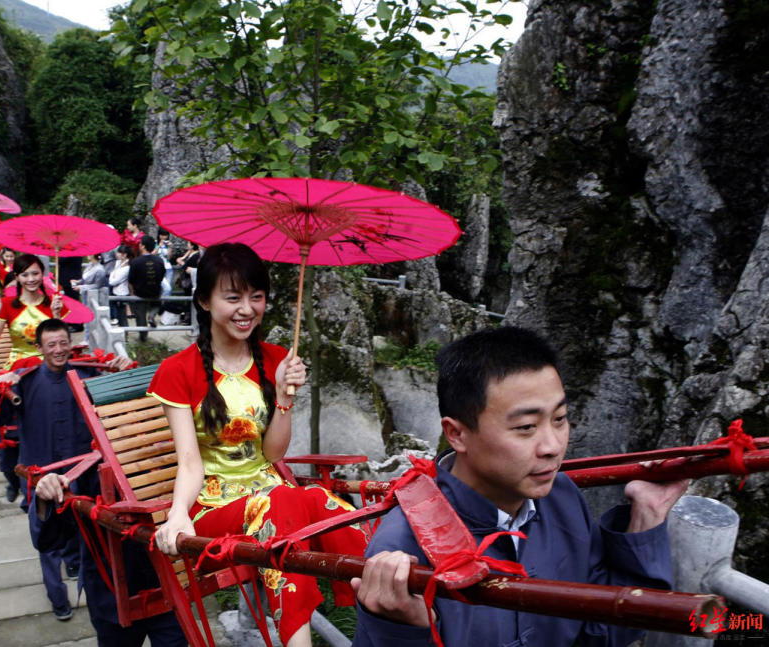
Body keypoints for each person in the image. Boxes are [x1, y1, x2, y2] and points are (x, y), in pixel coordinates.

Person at [351, 326, 687, 647]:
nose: (552, 446)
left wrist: (648, 515)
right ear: (457, 434)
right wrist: (405, 632)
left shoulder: (561, 496)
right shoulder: (403, 548)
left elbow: (597, 631)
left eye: (560, 419)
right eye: (526, 427)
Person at [148, 243, 368, 647]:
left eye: (257, 296)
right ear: (204, 300)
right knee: (285, 501)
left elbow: (273, 455)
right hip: (215, 507)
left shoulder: (276, 358)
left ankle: (382, 594)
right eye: (233, 297)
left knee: (319, 500)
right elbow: (189, 462)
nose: (247, 308)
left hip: (268, 493)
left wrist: (285, 397)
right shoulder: (177, 371)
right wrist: (178, 513)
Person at [0, 319, 184, 643]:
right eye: (50, 344)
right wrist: (46, 497)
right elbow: (45, 538)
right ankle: (59, 596)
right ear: (39, 349)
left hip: (168, 591)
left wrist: (120, 374)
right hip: (109, 594)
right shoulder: (28, 383)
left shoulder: (159, 463)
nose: (59, 350)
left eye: (63, 342)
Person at [0, 254, 67, 369]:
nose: (31, 279)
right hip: (18, 368)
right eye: (25, 275)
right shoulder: (6, 304)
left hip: (50, 365)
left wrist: (56, 315)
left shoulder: (55, 303)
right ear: (17, 277)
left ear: (42, 274)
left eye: (35, 273)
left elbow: (62, 343)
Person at [127, 235, 165, 341]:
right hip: (155, 291)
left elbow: (130, 281)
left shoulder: (135, 262)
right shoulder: (159, 261)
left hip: (140, 292)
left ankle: (143, 336)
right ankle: (152, 315)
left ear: (143, 246)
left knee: (140, 314)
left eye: (140, 244)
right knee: (157, 302)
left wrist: (132, 293)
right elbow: (161, 276)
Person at [107, 245, 131, 326]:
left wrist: (112, 276)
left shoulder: (127, 267)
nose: (117, 254)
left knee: (122, 316)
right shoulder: (118, 263)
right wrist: (112, 276)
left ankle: (125, 333)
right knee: (119, 315)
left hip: (122, 293)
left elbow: (114, 281)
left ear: (125, 254)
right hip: (116, 291)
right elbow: (112, 275)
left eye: (119, 252)